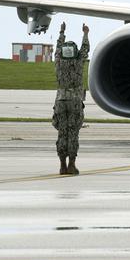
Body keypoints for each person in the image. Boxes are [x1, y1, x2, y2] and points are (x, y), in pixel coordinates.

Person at [52, 21, 89, 175]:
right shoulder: (78, 61)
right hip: (74, 100)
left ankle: (62, 165)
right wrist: (85, 33)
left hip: (60, 100)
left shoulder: (59, 61)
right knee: (73, 133)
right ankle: (72, 165)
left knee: (62, 132)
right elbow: (85, 49)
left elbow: (57, 48)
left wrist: (61, 32)